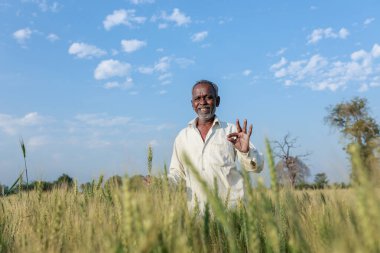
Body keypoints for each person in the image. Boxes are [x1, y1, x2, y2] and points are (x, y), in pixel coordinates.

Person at [168, 80, 264, 210]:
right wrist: (162, 183)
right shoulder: (182, 137)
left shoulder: (232, 131)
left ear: (217, 101)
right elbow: (177, 174)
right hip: (197, 216)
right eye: (198, 98)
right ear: (192, 104)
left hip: (230, 213)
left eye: (208, 97)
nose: (203, 102)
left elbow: (257, 167)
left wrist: (245, 152)